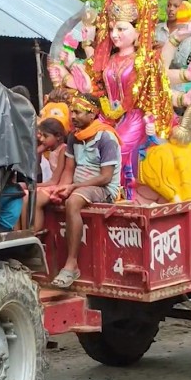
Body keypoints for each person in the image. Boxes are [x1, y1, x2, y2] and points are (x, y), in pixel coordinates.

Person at [83, 0, 191, 202]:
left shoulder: (144, 60)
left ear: (138, 32)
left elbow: (162, 77)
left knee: (119, 144)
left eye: (121, 29)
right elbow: (94, 81)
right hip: (107, 116)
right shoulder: (108, 59)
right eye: (112, 29)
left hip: (136, 117)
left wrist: (179, 44)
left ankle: (120, 193)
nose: (114, 35)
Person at [46, 92, 122, 288]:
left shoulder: (106, 138)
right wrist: (61, 188)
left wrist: (72, 188)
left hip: (103, 189)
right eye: (72, 111)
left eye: (78, 112)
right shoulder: (74, 137)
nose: (72, 116)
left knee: (73, 202)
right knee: (40, 197)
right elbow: (69, 170)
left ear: (92, 115)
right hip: (79, 187)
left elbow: (105, 177)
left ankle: (71, 265)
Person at [154, 0, 191, 69]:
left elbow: (182, 62)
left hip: (172, 78)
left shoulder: (185, 34)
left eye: (176, 6)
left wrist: (166, 47)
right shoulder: (156, 28)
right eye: (169, 5)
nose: (171, 9)